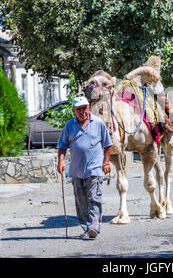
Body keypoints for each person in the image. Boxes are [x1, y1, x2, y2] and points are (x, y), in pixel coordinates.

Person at [57, 96, 112, 240]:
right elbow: (62, 145)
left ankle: (93, 227)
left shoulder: (98, 123)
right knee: (81, 202)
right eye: (79, 109)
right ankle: (86, 228)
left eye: (84, 108)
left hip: (94, 169)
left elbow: (107, 144)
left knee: (94, 198)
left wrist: (105, 162)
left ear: (89, 107)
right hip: (76, 171)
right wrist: (60, 162)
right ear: (73, 111)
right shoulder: (70, 125)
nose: (82, 112)